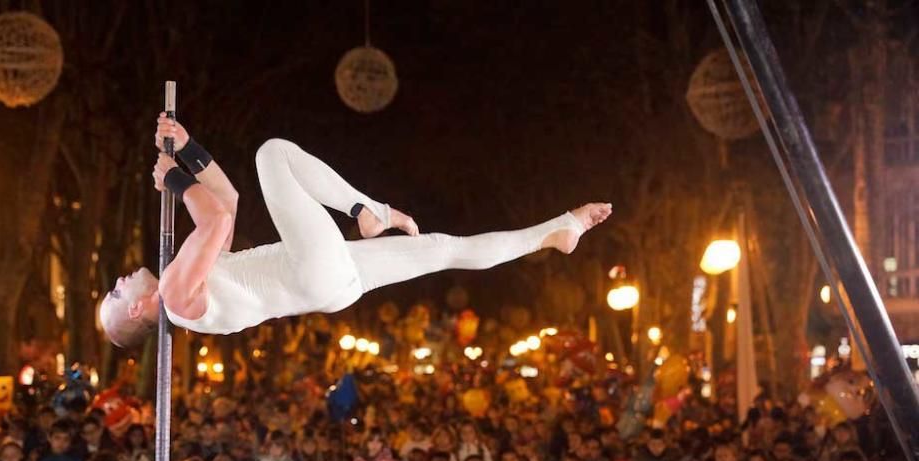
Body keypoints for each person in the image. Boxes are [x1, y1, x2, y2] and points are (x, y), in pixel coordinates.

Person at [99, 117, 612, 346]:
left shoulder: (188, 286)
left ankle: (558, 229)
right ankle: (367, 209)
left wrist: (189, 149)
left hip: (329, 282)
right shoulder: (175, 295)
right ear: (138, 310)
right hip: (310, 273)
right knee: (272, 153)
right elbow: (214, 219)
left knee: (444, 249)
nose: (119, 282)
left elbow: (227, 202)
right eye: (117, 295)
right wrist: (174, 179)